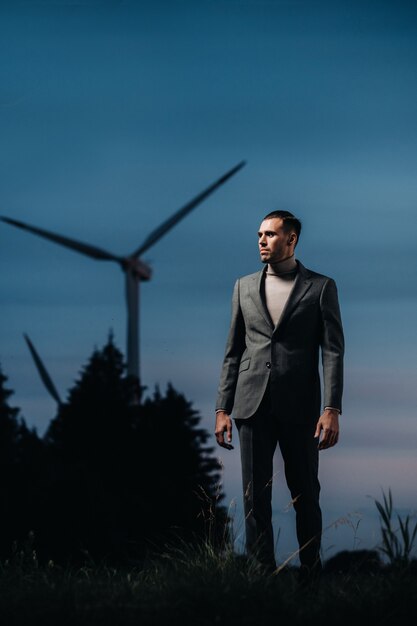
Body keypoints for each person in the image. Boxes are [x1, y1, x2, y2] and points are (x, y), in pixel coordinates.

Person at [214, 210, 344, 578]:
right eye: (258, 234)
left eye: (270, 235)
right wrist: (222, 407)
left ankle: (311, 576)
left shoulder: (320, 287)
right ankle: (262, 579)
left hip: (301, 406)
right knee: (255, 500)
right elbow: (233, 350)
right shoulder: (243, 286)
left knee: (306, 494)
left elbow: (332, 350)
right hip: (250, 405)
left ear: (291, 239)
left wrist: (332, 407)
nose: (261, 241)